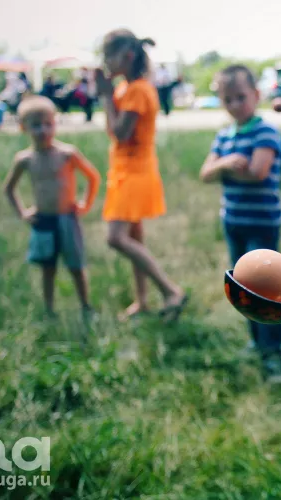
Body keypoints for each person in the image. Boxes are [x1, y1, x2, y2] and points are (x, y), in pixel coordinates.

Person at [199, 65, 281, 384]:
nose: (235, 105)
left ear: (256, 95)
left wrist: (223, 170)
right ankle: (256, 341)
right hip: (233, 221)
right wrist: (226, 164)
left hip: (261, 222)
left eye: (240, 97)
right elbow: (205, 173)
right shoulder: (224, 135)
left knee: (266, 288)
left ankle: (274, 353)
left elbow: (257, 172)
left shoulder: (265, 132)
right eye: (228, 99)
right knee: (243, 285)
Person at [95, 29, 189, 323]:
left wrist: (105, 96)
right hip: (125, 170)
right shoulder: (126, 88)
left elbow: (121, 133)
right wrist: (110, 95)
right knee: (135, 238)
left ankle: (171, 291)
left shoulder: (137, 90)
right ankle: (142, 300)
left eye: (108, 56)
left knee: (116, 238)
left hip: (135, 173)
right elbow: (114, 131)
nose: (105, 63)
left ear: (127, 56)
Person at [2, 96, 100, 319]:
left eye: (48, 124)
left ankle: (86, 306)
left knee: (76, 266)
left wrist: (85, 204)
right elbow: (8, 188)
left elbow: (93, 177)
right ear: (23, 127)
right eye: (36, 125)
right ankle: (49, 310)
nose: (43, 130)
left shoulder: (67, 154)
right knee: (48, 268)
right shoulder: (25, 159)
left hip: (67, 218)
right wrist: (22, 213)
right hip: (43, 220)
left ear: (55, 123)